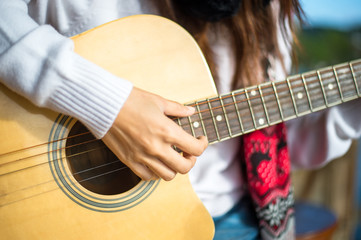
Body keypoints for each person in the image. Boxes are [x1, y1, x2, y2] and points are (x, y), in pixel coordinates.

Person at [1, 0, 361, 239]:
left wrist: (351, 112)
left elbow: (272, 136)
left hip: (236, 217)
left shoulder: (269, 7)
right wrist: (108, 107)